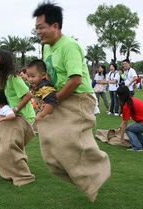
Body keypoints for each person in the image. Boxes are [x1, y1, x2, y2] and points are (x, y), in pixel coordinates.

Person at [33, 2, 110, 202]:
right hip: (59, 98)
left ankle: (99, 168)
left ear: (56, 26)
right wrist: (41, 95)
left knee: (68, 141)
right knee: (49, 148)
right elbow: (50, 78)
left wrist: (54, 100)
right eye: (37, 29)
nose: (38, 32)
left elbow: (75, 80)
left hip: (78, 98)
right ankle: (82, 175)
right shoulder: (47, 49)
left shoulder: (69, 46)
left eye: (41, 27)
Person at [0, 50, 36, 187]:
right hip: (15, 116)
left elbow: (28, 95)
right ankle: (14, 169)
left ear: (3, 61)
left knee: (9, 146)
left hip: (24, 116)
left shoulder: (13, 78)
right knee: (9, 146)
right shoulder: (5, 79)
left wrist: (15, 110)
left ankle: (23, 176)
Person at [118, 86, 143, 151]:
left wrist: (121, 138)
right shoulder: (133, 100)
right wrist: (121, 127)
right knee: (133, 128)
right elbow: (124, 121)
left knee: (128, 129)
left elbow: (125, 123)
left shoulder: (127, 105)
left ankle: (137, 147)